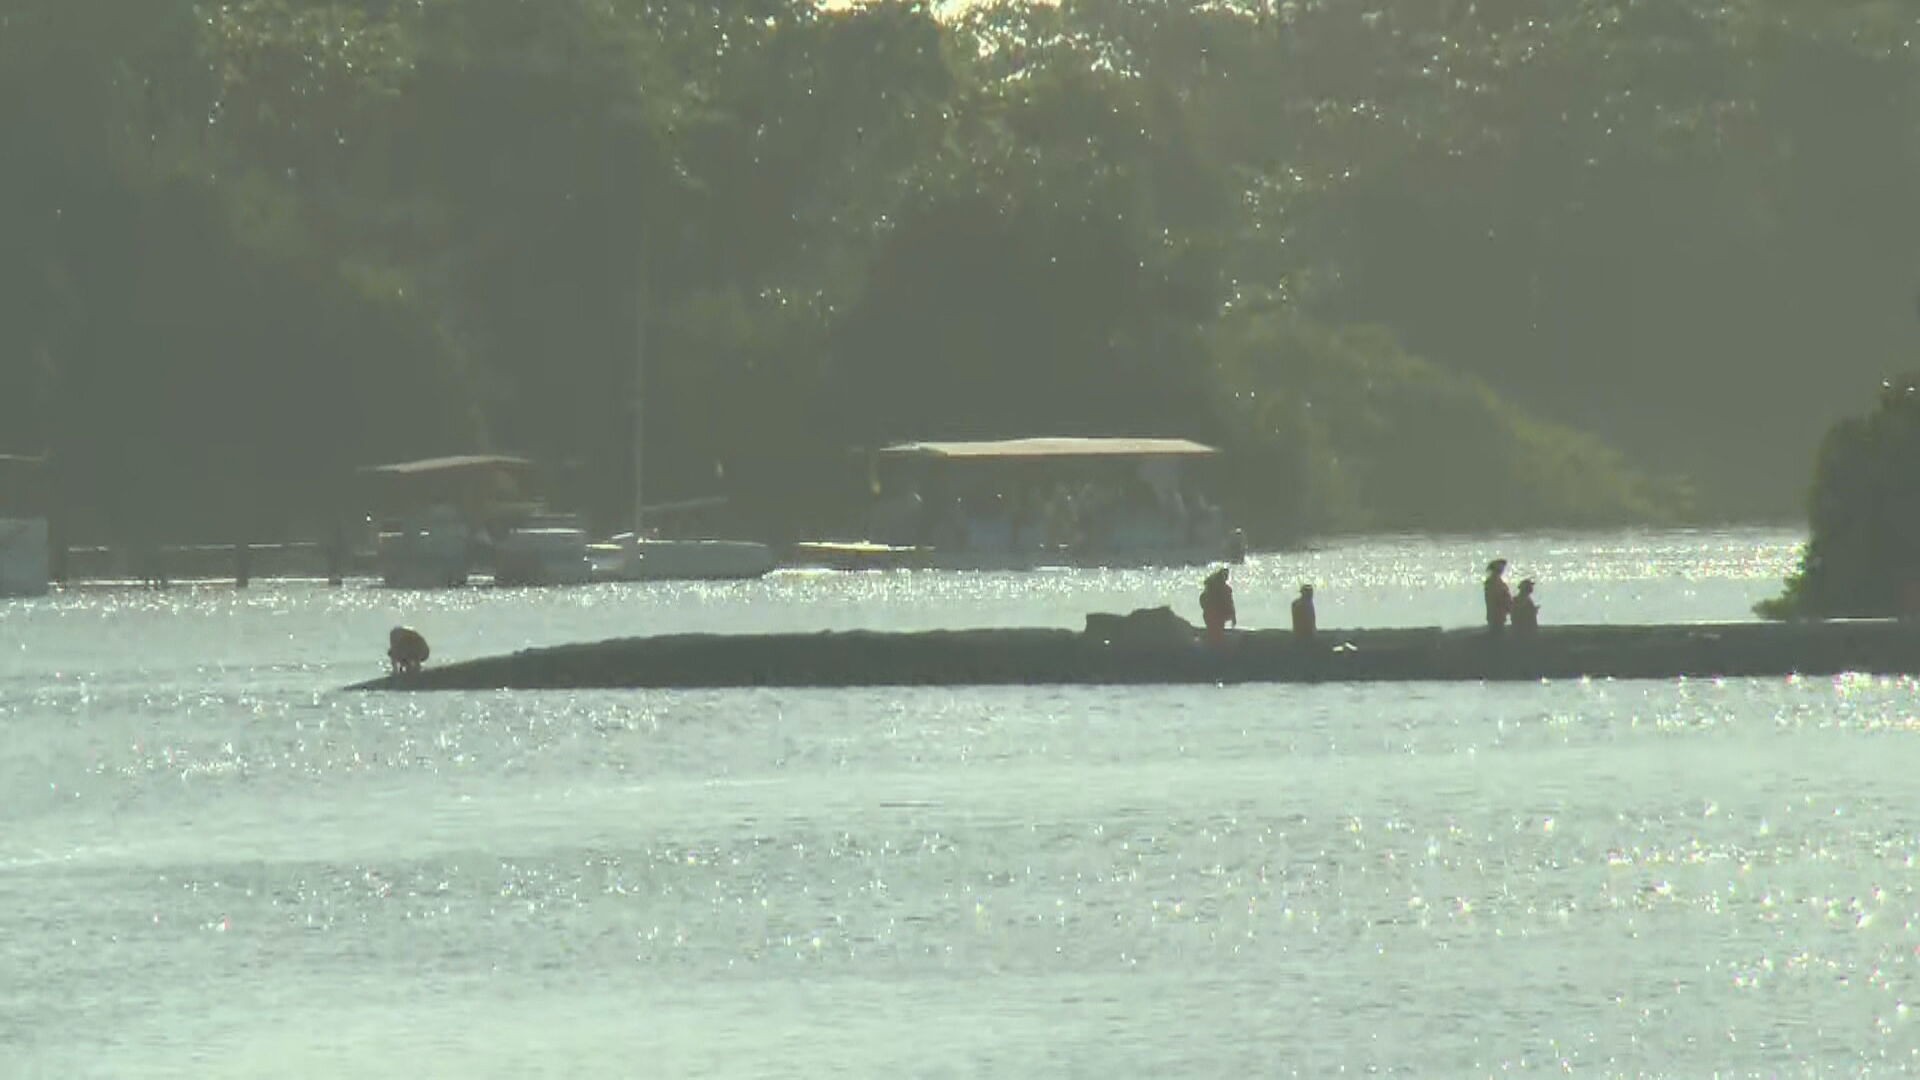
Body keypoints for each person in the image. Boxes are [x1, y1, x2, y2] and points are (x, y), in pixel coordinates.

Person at [1199, 567, 1236, 645]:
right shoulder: (1224, 589)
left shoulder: (1211, 586)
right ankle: (1216, 641)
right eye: (1226, 576)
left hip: (1211, 615)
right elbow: (1229, 603)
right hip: (1216, 615)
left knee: (1214, 631)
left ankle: (1213, 639)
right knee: (1216, 632)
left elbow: (1202, 600)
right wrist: (1233, 617)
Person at [1484, 558, 1512, 632]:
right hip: (1495, 615)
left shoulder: (1498, 582)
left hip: (1500, 614)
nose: (1502, 570)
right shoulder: (1492, 582)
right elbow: (1497, 598)